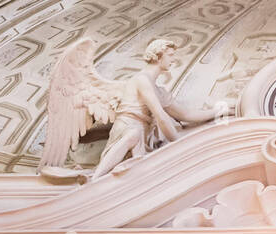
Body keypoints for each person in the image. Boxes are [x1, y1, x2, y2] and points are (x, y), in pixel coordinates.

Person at [92, 38, 218, 180]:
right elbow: (160, 116)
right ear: (158, 56)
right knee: (133, 135)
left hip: (142, 135)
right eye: (170, 55)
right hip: (128, 128)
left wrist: (219, 111)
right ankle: (94, 180)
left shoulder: (159, 91)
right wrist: (180, 145)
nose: (173, 59)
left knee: (139, 177)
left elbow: (186, 114)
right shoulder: (142, 80)